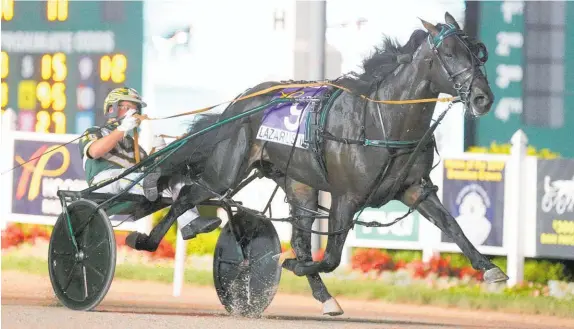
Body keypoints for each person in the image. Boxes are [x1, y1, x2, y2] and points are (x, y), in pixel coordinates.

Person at [78, 87, 221, 240]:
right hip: (104, 182)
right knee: (127, 177)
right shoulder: (95, 132)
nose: (133, 112)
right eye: (126, 107)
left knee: (176, 182)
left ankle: (190, 223)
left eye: (135, 109)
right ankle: (145, 184)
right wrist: (122, 128)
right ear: (111, 108)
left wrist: (163, 152)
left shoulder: (136, 147)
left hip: (134, 185)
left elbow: (150, 169)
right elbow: (95, 152)